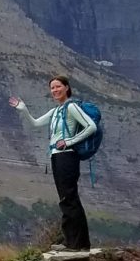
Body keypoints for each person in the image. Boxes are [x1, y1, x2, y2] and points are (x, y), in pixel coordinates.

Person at [9, 76, 97, 251]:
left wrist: (69, 141)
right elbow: (35, 124)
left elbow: (91, 126)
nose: (55, 90)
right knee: (66, 198)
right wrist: (23, 109)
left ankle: (77, 243)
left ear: (66, 88)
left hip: (67, 156)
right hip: (56, 156)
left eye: (58, 87)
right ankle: (74, 241)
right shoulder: (56, 111)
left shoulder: (71, 107)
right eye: (52, 88)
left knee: (69, 198)